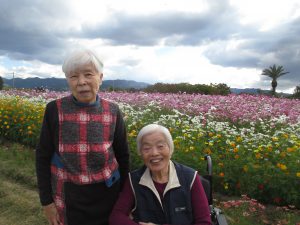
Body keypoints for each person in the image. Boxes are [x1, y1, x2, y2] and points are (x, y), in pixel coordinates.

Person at [36, 49, 129, 225]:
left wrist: (126, 197)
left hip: (108, 193)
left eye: (88, 74)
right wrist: (46, 201)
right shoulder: (54, 110)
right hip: (68, 195)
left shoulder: (113, 111)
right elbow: (42, 156)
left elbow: (123, 155)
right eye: (73, 76)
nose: (81, 82)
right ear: (67, 81)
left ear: (100, 77)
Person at [109, 124, 211, 225]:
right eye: (147, 148)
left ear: (170, 149)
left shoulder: (190, 178)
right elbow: (116, 216)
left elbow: (204, 222)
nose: (154, 153)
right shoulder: (134, 180)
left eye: (160, 146)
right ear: (140, 153)